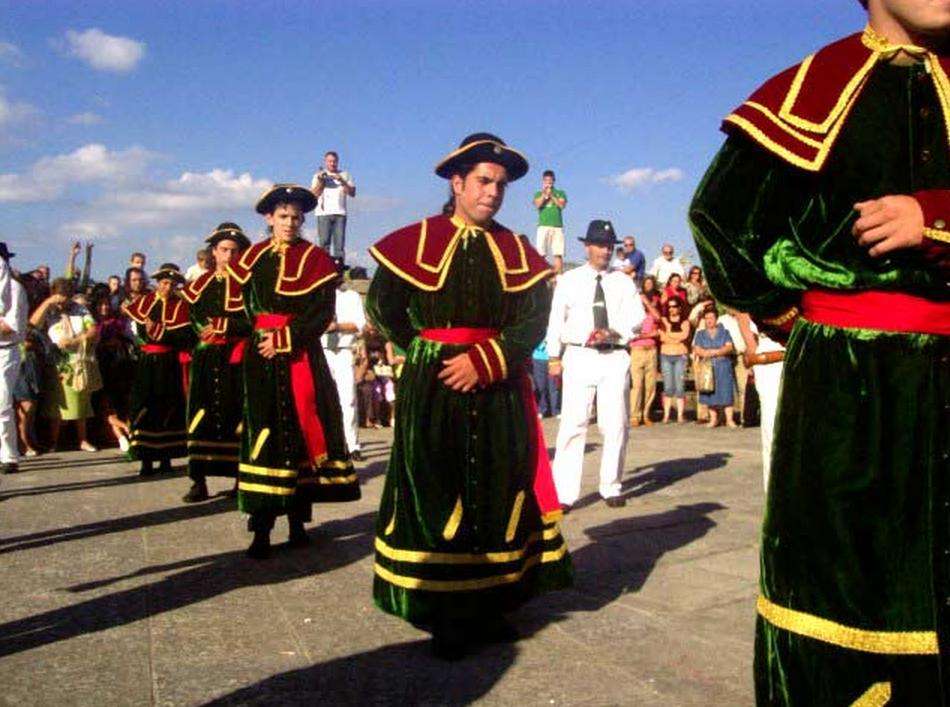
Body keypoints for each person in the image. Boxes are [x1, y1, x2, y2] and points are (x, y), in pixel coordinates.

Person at [689, 4, 950, 702]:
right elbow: (719, 217)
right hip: (843, 384)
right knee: (838, 582)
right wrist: (799, 321)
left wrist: (933, 219)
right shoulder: (812, 85)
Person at [367, 133, 572, 658]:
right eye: (484, 181)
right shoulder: (415, 240)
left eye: (501, 185)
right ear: (457, 183)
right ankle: (445, 610)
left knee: (499, 486)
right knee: (438, 487)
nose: (494, 192)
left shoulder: (516, 250)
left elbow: (533, 318)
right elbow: (383, 306)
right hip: (434, 388)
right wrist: (424, 351)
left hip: (498, 385)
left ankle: (491, 601)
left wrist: (487, 359)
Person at [227, 184, 359, 559]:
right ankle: (261, 529)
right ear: (269, 218)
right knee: (265, 436)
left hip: (301, 356)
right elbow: (241, 310)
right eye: (282, 216)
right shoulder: (251, 259)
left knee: (300, 435)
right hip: (261, 362)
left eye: (296, 217)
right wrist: (249, 335)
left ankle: (298, 523)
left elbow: (321, 314)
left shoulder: (316, 259)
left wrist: (285, 337)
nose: (289, 223)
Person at [548, 219, 645, 509]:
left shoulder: (622, 281)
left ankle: (611, 485)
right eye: (600, 245)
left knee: (615, 423)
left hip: (614, 355)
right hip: (579, 355)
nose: (605, 251)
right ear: (587, 246)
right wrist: (554, 356)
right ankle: (565, 493)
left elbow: (637, 319)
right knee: (573, 424)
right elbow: (556, 319)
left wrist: (615, 331)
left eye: (609, 246)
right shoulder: (569, 279)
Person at [179, 223, 252, 503]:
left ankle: (239, 479)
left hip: (236, 358)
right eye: (224, 250)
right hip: (207, 358)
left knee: (238, 416)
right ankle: (198, 481)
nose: (229, 256)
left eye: (234, 251)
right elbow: (193, 316)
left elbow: (254, 320)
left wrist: (227, 326)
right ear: (214, 252)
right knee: (201, 415)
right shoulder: (199, 284)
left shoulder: (249, 284)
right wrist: (203, 329)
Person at [124, 264, 194, 476]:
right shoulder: (145, 302)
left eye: (172, 284)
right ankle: (145, 459)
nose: (167, 287)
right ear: (157, 283)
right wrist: (148, 334)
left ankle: (166, 458)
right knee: (145, 407)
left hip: (168, 362)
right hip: (147, 363)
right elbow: (138, 332)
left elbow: (186, 336)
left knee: (168, 408)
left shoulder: (181, 306)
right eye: (164, 283)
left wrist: (165, 335)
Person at [31, 278, 100, 452]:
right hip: (56, 362)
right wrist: (48, 303)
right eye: (59, 299)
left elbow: (92, 329)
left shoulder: (80, 309)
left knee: (81, 402)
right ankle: (53, 441)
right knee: (57, 403)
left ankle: (83, 440)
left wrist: (75, 340)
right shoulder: (48, 309)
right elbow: (32, 325)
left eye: (66, 299)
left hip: (78, 360)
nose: (62, 304)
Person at [320, 263, 367, 461]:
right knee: (322, 399)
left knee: (347, 399)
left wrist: (337, 326)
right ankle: (326, 444)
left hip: (343, 350)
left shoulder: (352, 297)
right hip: (321, 350)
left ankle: (352, 444)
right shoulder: (318, 296)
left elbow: (360, 325)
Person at [736, 313, 785, 490]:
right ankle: (775, 495)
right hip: (771, 351)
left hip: (808, 344)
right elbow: (741, 310)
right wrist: (752, 346)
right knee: (773, 428)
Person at [0, 244, 28, 473]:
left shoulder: (15, 289)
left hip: (6, 350)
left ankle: (9, 455)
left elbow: (10, 326)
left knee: (2, 402)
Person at [692, 308, 737, 429]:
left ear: (716, 319)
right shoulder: (700, 334)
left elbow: (729, 347)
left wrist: (715, 352)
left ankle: (729, 419)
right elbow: (697, 349)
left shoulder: (725, 332)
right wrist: (707, 353)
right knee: (709, 392)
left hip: (723, 365)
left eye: (711, 318)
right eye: (706, 318)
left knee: (726, 391)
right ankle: (713, 419)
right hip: (707, 366)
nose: (709, 321)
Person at [311, 151, 356, 260]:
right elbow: (314, 194)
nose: (332, 164)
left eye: (334, 161)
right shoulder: (318, 175)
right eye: (330, 161)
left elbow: (352, 193)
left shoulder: (345, 175)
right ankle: (324, 270)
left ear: (337, 162)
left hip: (340, 213)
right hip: (323, 213)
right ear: (326, 162)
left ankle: (339, 269)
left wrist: (342, 181)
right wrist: (321, 181)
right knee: (324, 243)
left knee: (339, 245)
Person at [628, 291, 660, 426]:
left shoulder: (650, 315)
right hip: (637, 351)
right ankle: (635, 415)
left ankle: (646, 414)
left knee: (650, 385)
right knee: (637, 385)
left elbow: (658, 321)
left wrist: (647, 303)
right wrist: (648, 334)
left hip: (651, 351)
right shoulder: (631, 315)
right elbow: (631, 334)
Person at [657, 298, 690, 423]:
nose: (672, 309)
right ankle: (666, 415)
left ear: (679, 308)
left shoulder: (685, 322)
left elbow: (684, 336)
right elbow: (662, 337)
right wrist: (674, 336)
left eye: (674, 306)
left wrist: (669, 332)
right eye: (669, 306)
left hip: (680, 355)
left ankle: (680, 415)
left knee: (680, 386)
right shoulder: (664, 320)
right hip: (666, 354)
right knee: (668, 386)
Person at [533, 169, 568, 273]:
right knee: (541, 253)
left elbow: (561, 205)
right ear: (543, 181)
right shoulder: (538, 193)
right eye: (546, 180)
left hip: (557, 226)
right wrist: (544, 195)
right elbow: (538, 205)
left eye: (550, 180)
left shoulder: (560, 193)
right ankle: (540, 278)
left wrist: (551, 195)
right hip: (543, 225)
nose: (548, 182)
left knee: (558, 253)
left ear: (554, 180)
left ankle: (558, 277)